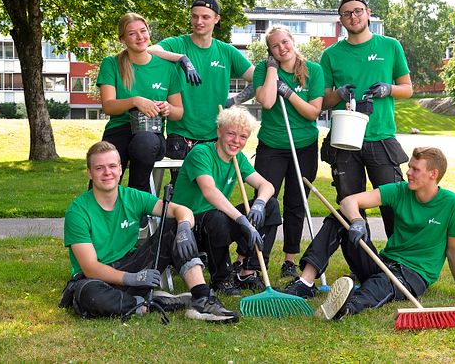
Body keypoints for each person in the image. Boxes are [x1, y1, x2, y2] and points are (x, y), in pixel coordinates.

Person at [284, 147, 455, 320]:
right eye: (409, 167)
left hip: (414, 274)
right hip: (383, 262)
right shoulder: (400, 190)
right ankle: (305, 282)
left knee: (381, 285)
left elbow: (454, 250)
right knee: (341, 216)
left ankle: (347, 307)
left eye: (415, 169)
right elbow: (348, 202)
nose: (408, 173)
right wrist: (356, 222)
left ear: (433, 174)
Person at [59, 140, 239, 323]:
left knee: (173, 225)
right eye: (99, 168)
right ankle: (153, 303)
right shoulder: (78, 211)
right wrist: (132, 278)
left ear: (121, 169)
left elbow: (181, 210)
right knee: (88, 295)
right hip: (98, 279)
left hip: (131, 264)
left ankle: (202, 299)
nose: (107, 173)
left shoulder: (133, 196)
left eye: (112, 166)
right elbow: (90, 268)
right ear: (89, 172)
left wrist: (184, 227)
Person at [319, 0, 413, 238]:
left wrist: (388, 89)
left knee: (393, 202)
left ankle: (397, 260)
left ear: (368, 13)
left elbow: (408, 89)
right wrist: (339, 94)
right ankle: (362, 263)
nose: (354, 16)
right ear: (341, 20)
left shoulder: (390, 46)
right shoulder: (330, 55)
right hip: (345, 139)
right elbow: (323, 101)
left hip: (380, 135)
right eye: (347, 13)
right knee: (351, 205)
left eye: (358, 10)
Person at [172, 106, 282, 296]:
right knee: (217, 217)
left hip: (215, 222)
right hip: (188, 227)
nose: (236, 141)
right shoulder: (201, 153)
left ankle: (247, 270)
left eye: (242, 137)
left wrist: (259, 203)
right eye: (231, 134)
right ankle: (221, 279)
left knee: (271, 206)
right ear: (219, 132)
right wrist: (241, 220)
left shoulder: (237, 158)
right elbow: (210, 192)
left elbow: (267, 186)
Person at [252, 25, 324, 280]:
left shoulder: (313, 70)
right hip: (272, 145)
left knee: (296, 203)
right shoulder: (263, 69)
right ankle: (258, 259)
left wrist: (290, 93)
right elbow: (268, 101)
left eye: (285, 42)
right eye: (275, 45)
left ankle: (290, 260)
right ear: (270, 51)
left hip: (303, 146)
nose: (282, 48)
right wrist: (272, 70)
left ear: (292, 41)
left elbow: (313, 112)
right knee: (266, 202)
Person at [148, 0, 255, 160]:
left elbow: (258, 79)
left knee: (209, 185)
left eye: (205, 17)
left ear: (216, 19)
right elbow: (149, 51)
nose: (199, 21)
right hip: (181, 134)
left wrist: (234, 101)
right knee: (181, 185)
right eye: (195, 16)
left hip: (214, 134)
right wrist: (181, 58)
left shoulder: (226, 51)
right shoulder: (178, 44)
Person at [96, 12, 184, 192]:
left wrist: (168, 108)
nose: (139, 37)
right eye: (132, 33)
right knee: (106, 164)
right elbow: (108, 106)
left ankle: (138, 205)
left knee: (143, 143)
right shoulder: (111, 64)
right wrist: (135, 101)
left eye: (143, 31)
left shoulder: (167, 68)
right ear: (122, 39)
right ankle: (99, 213)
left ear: (149, 32)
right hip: (118, 131)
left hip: (151, 134)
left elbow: (179, 111)